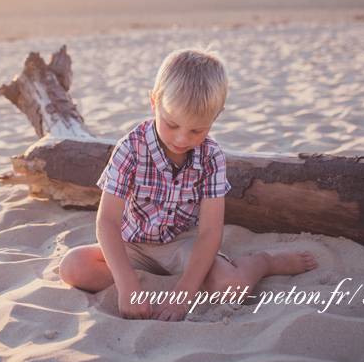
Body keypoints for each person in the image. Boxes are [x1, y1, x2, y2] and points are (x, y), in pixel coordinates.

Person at [59, 46, 318, 321]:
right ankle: (152, 281)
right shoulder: (130, 148)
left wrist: (184, 293)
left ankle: (264, 262)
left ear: (216, 115)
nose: (182, 139)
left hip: (184, 245)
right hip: (133, 244)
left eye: (197, 130)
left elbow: (208, 232)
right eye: (172, 124)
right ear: (154, 102)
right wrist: (127, 285)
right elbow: (107, 222)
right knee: (73, 267)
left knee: (232, 289)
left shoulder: (211, 156)